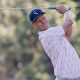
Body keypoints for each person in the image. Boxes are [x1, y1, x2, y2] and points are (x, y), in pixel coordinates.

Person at [29, 5, 80, 80]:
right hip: (67, 77)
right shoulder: (48, 35)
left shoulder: (51, 33)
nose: (43, 21)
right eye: (39, 21)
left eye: (43, 17)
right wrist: (66, 11)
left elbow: (67, 37)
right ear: (34, 25)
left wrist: (67, 11)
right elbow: (69, 22)